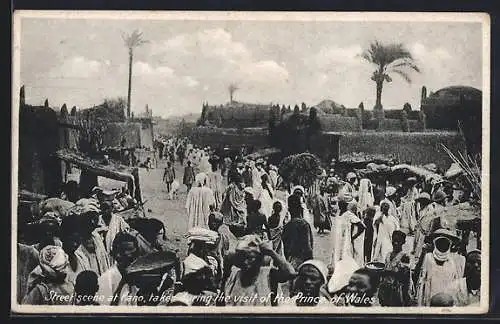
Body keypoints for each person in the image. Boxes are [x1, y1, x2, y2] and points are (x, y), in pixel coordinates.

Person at [223, 235, 295, 306]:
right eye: (243, 258)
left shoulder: (269, 274)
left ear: (258, 259)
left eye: (250, 258)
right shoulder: (234, 275)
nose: (245, 262)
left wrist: (271, 252)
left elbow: (290, 273)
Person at [416, 228, 462, 306]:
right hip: (430, 296)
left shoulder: (453, 261)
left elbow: (455, 283)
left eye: (445, 242)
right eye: (440, 242)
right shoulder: (428, 257)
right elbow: (422, 279)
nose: (443, 245)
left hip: (447, 299)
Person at [97, 232, 141, 305]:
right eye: (127, 250)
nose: (131, 255)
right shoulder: (106, 280)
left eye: (134, 252)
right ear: (117, 254)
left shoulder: (133, 277)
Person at [378, 230, 413, 306]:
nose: (395, 243)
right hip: (385, 289)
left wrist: (388, 272)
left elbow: (404, 276)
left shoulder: (404, 256)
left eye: (398, 241)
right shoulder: (388, 255)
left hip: (397, 292)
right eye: (394, 240)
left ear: (403, 242)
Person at [97, 190, 130, 262]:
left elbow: (126, 231)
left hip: (115, 252)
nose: (106, 211)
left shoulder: (118, 220)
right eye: (103, 208)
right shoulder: (98, 220)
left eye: (107, 208)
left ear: (112, 208)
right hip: (102, 253)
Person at [282, 195, 314, 270]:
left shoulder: (287, 226)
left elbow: (285, 247)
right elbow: (308, 248)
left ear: (289, 210)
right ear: (301, 209)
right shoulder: (304, 224)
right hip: (302, 261)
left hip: (290, 261)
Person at [331, 200, 365, 269]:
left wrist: (353, 237)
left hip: (346, 242)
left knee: (346, 260)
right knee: (337, 259)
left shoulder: (348, 214)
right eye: (340, 205)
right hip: (338, 241)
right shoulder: (338, 214)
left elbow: (362, 226)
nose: (340, 207)